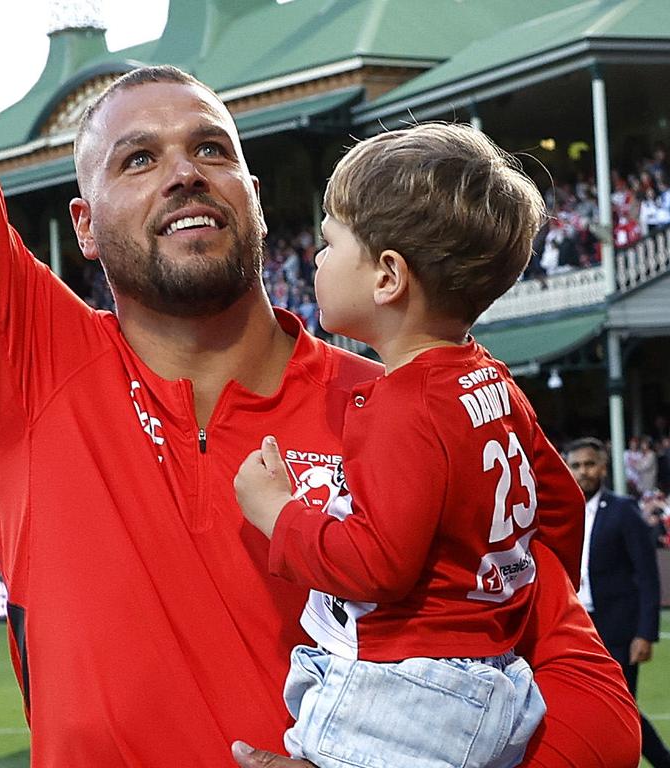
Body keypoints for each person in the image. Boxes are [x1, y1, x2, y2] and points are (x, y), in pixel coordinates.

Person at [0, 2, 639, 765]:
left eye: (212, 149)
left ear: (251, 195)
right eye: (138, 158)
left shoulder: (406, 404)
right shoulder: (27, 366)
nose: (184, 173)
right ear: (85, 227)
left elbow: (591, 700)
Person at [235, 125, 585, 768]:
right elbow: (561, 509)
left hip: (410, 690)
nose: (314, 259)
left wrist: (276, 512)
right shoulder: (495, 382)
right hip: (495, 675)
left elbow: (377, 567)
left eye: (329, 242)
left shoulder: (405, 405)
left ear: (388, 276)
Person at [565, 438, 670, 768]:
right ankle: (668, 764)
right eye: (576, 465)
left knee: (618, 707)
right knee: (587, 706)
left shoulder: (622, 510)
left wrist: (646, 633)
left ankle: (664, 763)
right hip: (574, 628)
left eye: (589, 464)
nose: (583, 472)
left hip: (618, 629)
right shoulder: (560, 510)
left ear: (604, 468)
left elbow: (647, 576)